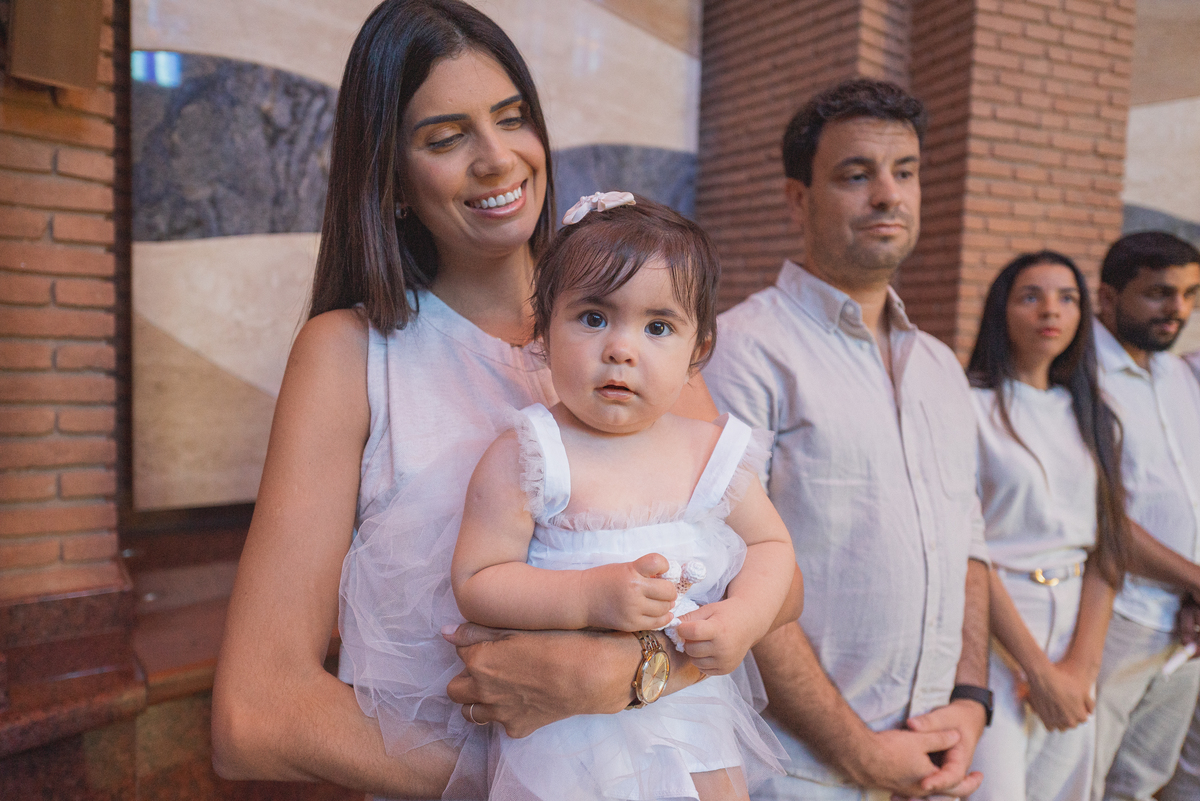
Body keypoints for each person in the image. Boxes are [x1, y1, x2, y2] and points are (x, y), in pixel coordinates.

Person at [211, 2, 782, 797]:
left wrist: (625, 674)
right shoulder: (353, 354)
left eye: (512, 119)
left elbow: (762, 581)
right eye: (445, 138)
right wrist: (546, 771)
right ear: (392, 179)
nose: (497, 159)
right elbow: (256, 713)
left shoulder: (639, 331)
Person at [444, 194, 795, 800]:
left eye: (658, 327)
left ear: (698, 351)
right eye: (593, 318)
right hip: (565, 743)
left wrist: (747, 615)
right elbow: (478, 578)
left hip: (694, 728)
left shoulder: (710, 454)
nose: (621, 349)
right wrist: (588, 595)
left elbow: (770, 544)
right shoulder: (530, 453)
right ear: (544, 331)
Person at [703, 78, 991, 800]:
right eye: (856, 174)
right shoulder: (744, 350)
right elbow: (729, 571)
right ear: (798, 199)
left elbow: (971, 545)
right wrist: (859, 752)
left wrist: (970, 700)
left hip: (933, 756)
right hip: (798, 767)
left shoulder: (940, 367)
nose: (888, 195)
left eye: (906, 172)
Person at [964, 251, 1129, 801]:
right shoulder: (970, 407)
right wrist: (1037, 670)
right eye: (1030, 295)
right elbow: (970, 551)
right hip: (997, 625)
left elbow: (1107, 549)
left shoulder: (1093, 415)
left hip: (1078, 624)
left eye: (1067, 297)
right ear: (1002, 310)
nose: (1050, 310)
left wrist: (1079, 667)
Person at [1088, 231, 1200, 801]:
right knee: (1081, 781)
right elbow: (1102, 521)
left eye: (1189, 293)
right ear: (1107, 297)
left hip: (1183, 623)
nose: (1177, 309)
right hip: (1118, 617)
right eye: (1159, 293)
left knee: (1140, 784)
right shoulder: (1083, 378)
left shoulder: (1178, 375)